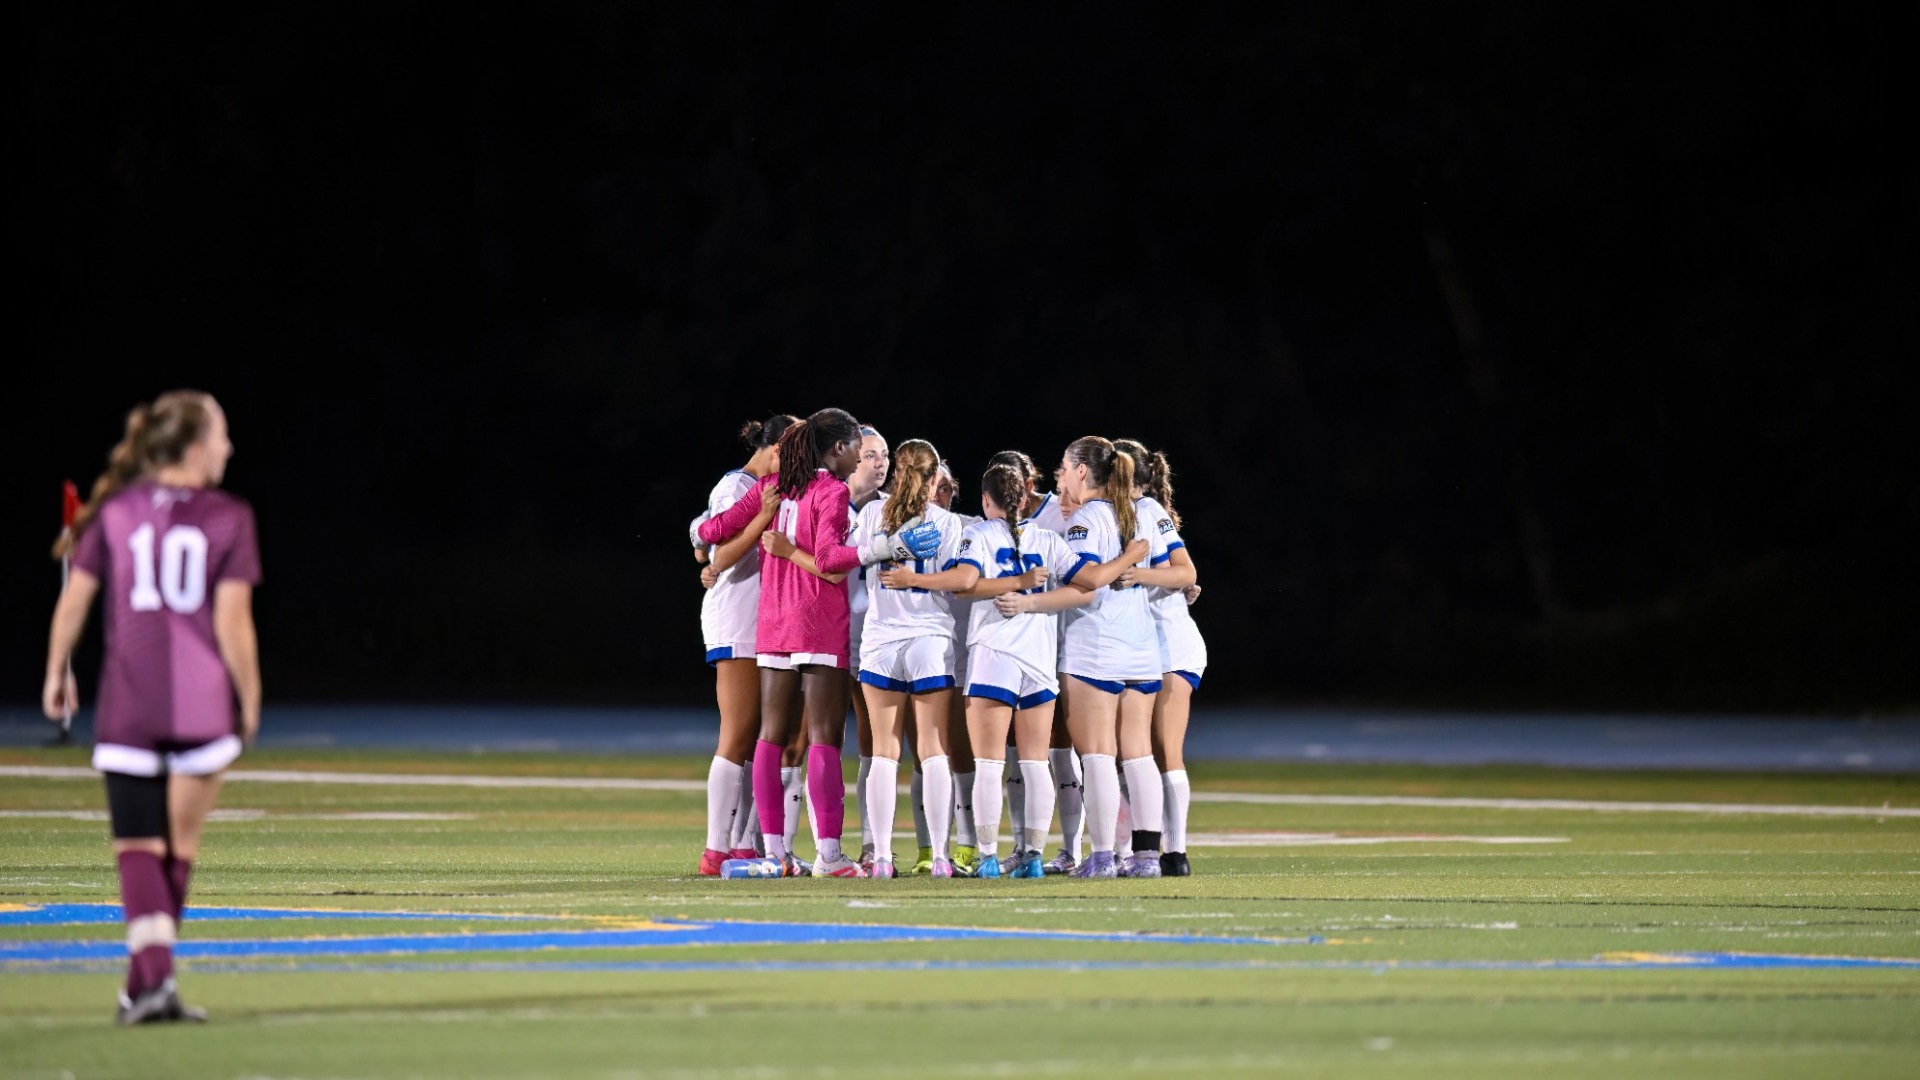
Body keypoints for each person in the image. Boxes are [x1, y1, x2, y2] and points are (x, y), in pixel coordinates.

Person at [41, 390, 261, 1024]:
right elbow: (233, 621)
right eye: (221, 435)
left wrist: (57, 669)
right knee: (176, 851)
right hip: (200, 704)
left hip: (130, 702)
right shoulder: (228, 516)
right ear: (194, 447)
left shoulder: (118, 510)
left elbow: (76, 601)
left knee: (138, 850)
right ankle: (154, 982)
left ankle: (146, 985)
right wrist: (249, 697)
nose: (228, 447)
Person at [697, 408, 939, 877]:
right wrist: (888, 548)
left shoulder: (776, 487)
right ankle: (829, 855)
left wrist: (696, 533)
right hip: (818, 622)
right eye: (857, 450)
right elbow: (830, 559)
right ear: (840, 449)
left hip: (772, 622)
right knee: (825, 739)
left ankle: (772, 852)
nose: (860, 460)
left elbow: (713, 529)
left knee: (769, 737)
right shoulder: (829, 490)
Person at [1046, 436, 1165, 879]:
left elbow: (1089, 582)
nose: (1061, 475)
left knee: (1096, 754)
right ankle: (1147, 858)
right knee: (1138, 755)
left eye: (1064, 466)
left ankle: (1102, 857)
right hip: (1141, 647)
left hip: (1096, 648)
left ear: (1082, 471)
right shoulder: (1139, 510)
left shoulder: (1089, 517)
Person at [851, 440, 969, 878]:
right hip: (929, 641)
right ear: (935, 476)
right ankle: (939, 856)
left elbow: (846, 560)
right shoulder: (947, 521)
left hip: (880, 640)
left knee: (884, 752)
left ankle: (881, 856)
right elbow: (960, 581)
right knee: (933, 749)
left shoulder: (870, 515)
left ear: (898, 472)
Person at [690, 415, 795, 875]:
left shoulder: (764, 486)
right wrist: (763, 520)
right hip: (736, 617)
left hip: (764, 620)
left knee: (759, 737)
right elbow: (721, 553)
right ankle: (716, 849)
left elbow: (701, 537)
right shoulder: (736, 487)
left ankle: (741, 845)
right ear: (775, 450)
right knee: (738, 731)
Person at [1113, 439, 1206, 877]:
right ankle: (1136, 847)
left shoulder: (1148, 511)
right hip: (1139, 649)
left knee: (1165, 751)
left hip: (1170, 646)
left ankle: (1176, 852)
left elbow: (1186, 572)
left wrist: (1136, 574)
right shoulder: (1111, 514)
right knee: (1130, 752)